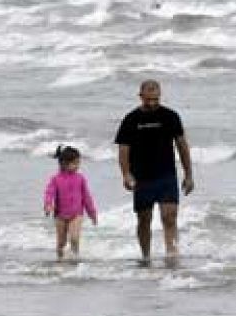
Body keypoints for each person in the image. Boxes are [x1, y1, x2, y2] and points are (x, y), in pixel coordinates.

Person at [114, 80, 194, 262]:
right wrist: (126, 174)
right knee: (144, 219)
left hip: (166, 175)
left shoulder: (171, 116)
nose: (152, 103)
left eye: (156, 99)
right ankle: (146, 257)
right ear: (140, 96)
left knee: (169, 216)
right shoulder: (131, 119)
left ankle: (172, 254)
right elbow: (123, 149)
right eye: (148, 99)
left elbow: (182, 145)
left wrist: (188, 175)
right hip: (142, 178)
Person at [42, 145, 98, 261]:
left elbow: (87, 197)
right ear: (63, 163)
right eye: (75, 163)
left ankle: (75, 259)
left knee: (74, 238)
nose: (78, 166)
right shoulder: (55, 179)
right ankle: (60, 261)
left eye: (79, 163)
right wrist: (48, 205)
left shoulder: (80, 178)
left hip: (76, 214)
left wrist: (92, 213)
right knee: (61, 243)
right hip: (60, 215)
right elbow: (49, 192)